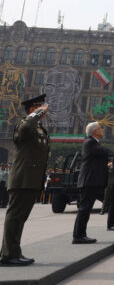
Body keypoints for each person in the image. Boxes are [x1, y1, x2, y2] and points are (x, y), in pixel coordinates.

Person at [1, 95, 49, 266]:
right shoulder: (24, 124)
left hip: (31, 180)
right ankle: (7, 255)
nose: (44, 110)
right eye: (40, 107)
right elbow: (25, 128)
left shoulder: (39, 129)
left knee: (20, 218)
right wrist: (35, 115)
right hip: (22, 179)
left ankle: (15, 252)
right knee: (14, 217)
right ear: (32, 109)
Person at [73, 121, 109, 244]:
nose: (102, 130)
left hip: (93, 181)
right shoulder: (90, 142)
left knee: (86, 209)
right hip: (89, 181)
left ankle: (81, 234)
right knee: (84, 209)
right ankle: (78, 236)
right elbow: (104, 151)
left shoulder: (95, 143)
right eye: (100, 128)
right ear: (95, 131)